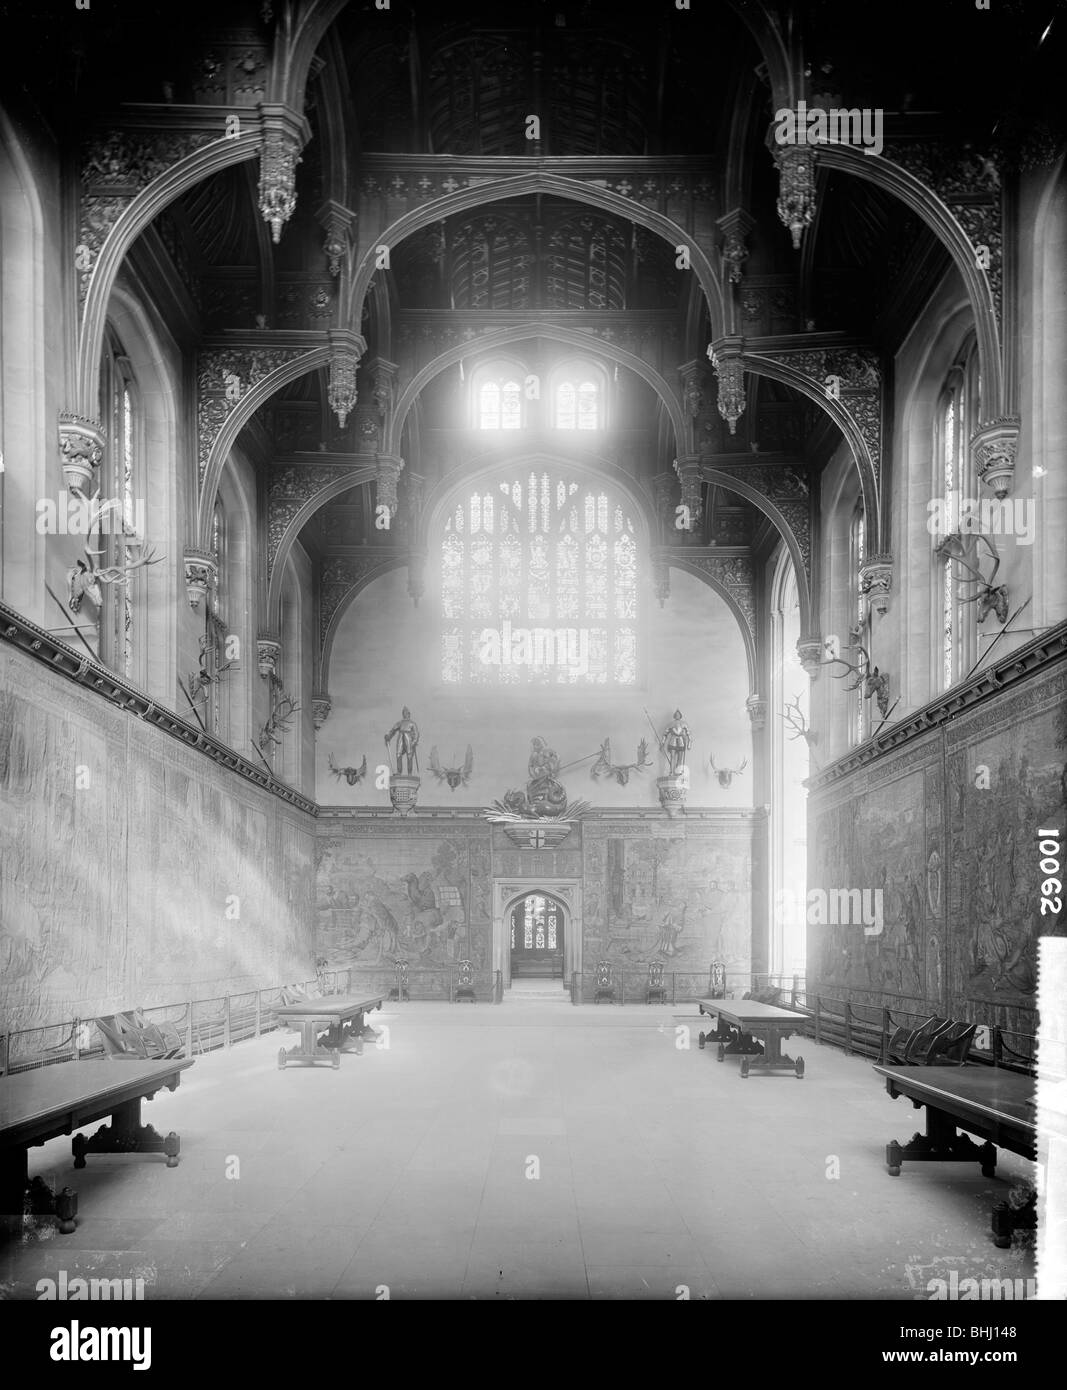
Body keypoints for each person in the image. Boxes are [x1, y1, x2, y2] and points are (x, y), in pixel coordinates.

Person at [385, 706, 419, 775]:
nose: (405, 714)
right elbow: (393, 729)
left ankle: (409, 773)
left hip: (408, 738)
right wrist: (388, 736)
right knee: (398, 754)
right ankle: (399, 771)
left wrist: (414, 742)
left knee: (409, 755)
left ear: (409, 714)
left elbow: (416, 734)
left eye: (406, 713)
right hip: (400, 737)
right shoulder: (400, 722)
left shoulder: (412, 723)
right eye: (404, 713)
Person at [662, 709, 692, 777]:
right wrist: (662, 742)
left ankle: (677, 771)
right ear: (674, 715)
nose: (677, 715)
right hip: (673, 740)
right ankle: (671, 771)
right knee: (672, 757)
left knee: (680, 758)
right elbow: (665, 733)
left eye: (678, 714)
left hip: (681, 741)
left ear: (680, 715)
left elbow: (689, 733)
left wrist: (689, 743)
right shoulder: (671, 724)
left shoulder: (684, 723)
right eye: (676, 714)